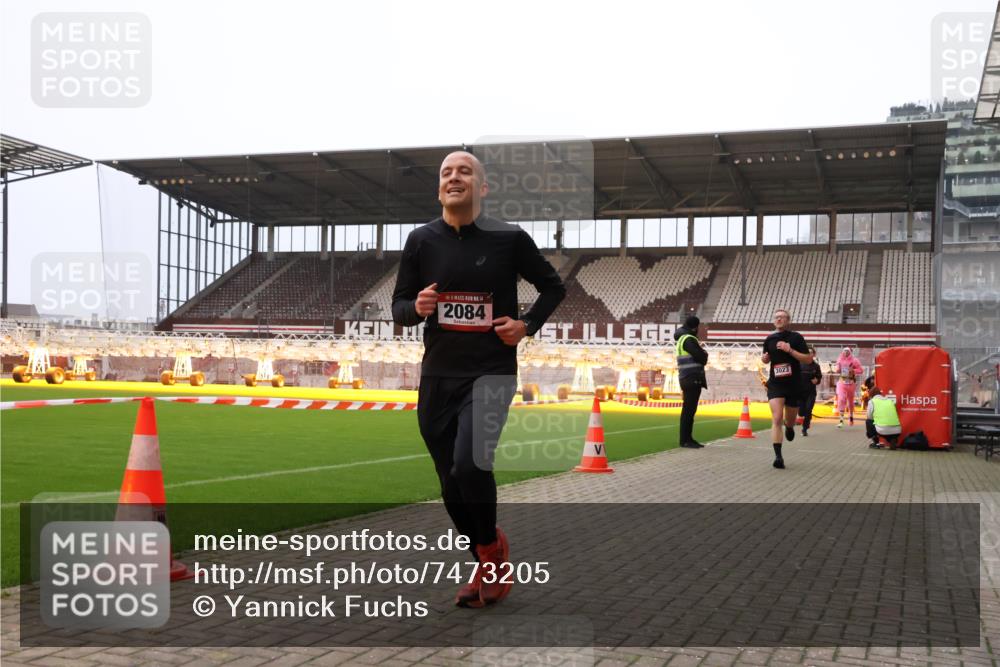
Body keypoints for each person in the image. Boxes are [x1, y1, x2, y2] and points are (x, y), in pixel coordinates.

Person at [391, 151, 565, 608]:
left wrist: (526, 325)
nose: (454, 177)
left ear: (482, 188)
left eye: (464, 171)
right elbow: (399, 307)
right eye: (446, 172)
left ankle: (489, 559)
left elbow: (554, 286)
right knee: (450, 484)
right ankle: (487, 552)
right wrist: (417, 309)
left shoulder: (509, 239)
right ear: (439, 188)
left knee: (470, 466)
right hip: (438, 377)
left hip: (490, 372)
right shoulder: (420, 240)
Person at [761, 309, 813, 469]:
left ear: (788, 320)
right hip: (776, 384)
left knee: (789, 420)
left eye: (782, 317)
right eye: (776, 317)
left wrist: (789, 350)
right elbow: (766, 358)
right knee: (776, 418)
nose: (779, 319)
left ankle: (790, 427)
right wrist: (765, 358)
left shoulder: (796, 337)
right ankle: (778, 457)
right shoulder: (769, 339)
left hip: (793, 385)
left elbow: (808, 359)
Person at [673, 315, 709, 448]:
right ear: (695, 327)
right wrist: (704, 353)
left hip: (686, 377)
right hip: (692, 378)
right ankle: (685, 440)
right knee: (689, 411)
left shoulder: (682, 338)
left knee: (688, 410)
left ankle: (687, 438)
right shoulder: (689, 339)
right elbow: (702, 358)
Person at [863, 377, 901, 449]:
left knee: (868, 422)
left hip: (883, 429)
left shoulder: (872, 401)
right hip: (897, 430)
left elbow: (869, 416)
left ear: (871, 395)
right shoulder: (889, 400)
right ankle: (891, 440)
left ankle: (876, 443)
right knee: (885, 426)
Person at [834, 346, 863, 428]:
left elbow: (861, 370)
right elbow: (837, 369)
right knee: (841, 399)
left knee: (850, 401)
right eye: (844, 351)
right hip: (842, 382)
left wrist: (853, 370)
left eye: (847, 351)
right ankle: (841, 420)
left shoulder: (854, 360)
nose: (846, 353)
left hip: (851, 383)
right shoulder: (839, 359)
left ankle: (851, 417)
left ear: (850, 352)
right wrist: (837, 369)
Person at [797, 346, 822, 437]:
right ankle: (804, 417)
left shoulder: (816, 366)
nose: (809, 354)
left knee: (808, 410)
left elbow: (819, 377)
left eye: (811, 352)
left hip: (810, 392)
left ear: (814, 354)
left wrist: (817, 380)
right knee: (801, 412)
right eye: (807, 352)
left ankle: (805, 428)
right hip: (800, 392)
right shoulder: (799, 364)